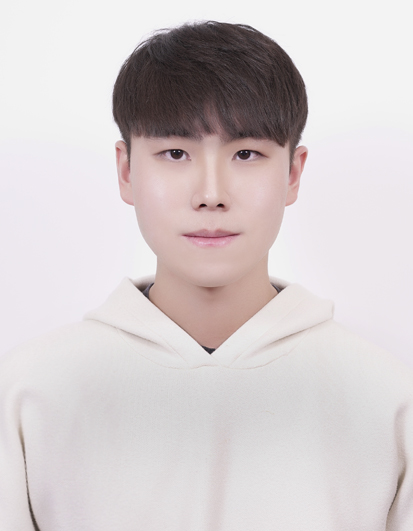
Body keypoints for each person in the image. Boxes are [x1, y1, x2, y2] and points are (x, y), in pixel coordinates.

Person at [0, 21, 412, 531]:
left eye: (246, 154)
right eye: (175, 153)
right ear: (126, 171)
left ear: (292, 173)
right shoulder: (30, 393)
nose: (211, 194)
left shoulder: (386, 398)